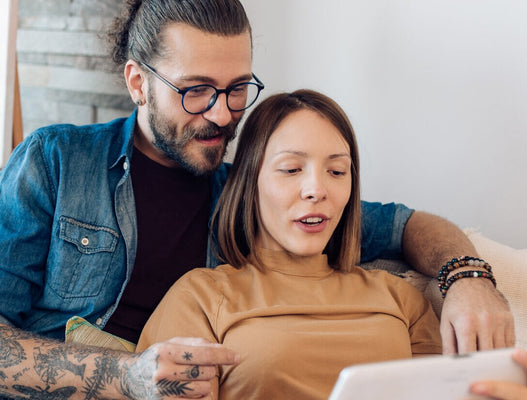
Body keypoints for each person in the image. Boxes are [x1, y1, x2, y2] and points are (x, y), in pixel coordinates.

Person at [0, 0, 512, 398]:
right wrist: (130, 376)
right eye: (197, 90)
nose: (223, 114)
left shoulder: (253, 196)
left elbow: (405, 226)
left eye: (237, 88)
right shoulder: (56, 162)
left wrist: (468, 277)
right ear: (138, 83)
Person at [136, 89, 444, 399]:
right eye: (291, 169)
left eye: (337, 171)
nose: (316, 190)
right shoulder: (200, 297)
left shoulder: (401, 300)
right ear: (250, 181)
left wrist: (465, 277)